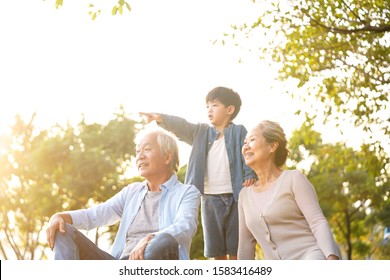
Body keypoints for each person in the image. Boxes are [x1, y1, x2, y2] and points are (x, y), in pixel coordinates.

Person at [139, 86, 257, 260]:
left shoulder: (239, 131)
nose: (209, 110)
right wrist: (161, 118)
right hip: (209, 199)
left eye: (214, 105)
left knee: (235, 249)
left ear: (229, 110)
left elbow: (248, 153)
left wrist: (250, 175)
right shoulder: (200, 132)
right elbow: (182, 125)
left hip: (236, 197)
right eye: (207, 106)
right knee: (216, 250)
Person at [46, 128, 200, 260]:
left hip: (155, 260)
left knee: (165, 240)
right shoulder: (131, 192)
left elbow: (185, 226)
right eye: (138, 151)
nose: (140, 156)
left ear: (167, 157)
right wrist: (60, 216)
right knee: (63, 228)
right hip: (120, 265)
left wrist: (150, 238)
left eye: (147, 149)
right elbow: (94, 215)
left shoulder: (187, 192)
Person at [238, 120, 341, 260]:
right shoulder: (244, 195)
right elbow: (245, 245)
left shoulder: (294, 179)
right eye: (245, 142)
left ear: (272, 146)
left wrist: (331, 257)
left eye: (252, 140)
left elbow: (317, 222)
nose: (246, 146)